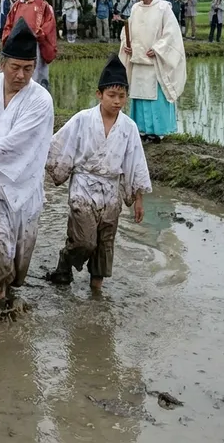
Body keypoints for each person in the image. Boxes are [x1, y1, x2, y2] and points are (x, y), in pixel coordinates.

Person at [0, 18, 54, 308]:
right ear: (2, 63)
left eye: (28, 69)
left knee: (19, 258)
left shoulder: (40, 100)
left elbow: (18, 143)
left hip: (24, 186)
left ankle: (5, 289)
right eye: (15, 67)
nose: (21, 75)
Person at [47, 55, 151, 291]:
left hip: (111, 190)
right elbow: (59, 145)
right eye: (111, 95)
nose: (117, 101)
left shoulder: (129, 128)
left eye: (122, 96)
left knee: (104, 245)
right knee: (85, 241)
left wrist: (138, 200)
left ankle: (96, 294)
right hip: (84, 186)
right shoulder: (83, 119)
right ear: (99, 94)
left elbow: (135, 163)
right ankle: (66, 259)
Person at [119, 0, 186, 143]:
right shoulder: (135, 8)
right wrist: (127, 44)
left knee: (155, 98)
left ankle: (157, 132)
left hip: (154, 61)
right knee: (139, 96)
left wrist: (157, 49)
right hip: (137, 60)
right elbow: (127, 31)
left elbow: (171, 35)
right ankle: (140, 130)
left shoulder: (164, 8)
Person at [2, 0, 57, 90]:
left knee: (36, 72)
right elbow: (8, 25)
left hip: (35, 43)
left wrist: (40, 33)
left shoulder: (42, 4)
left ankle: (39, 95)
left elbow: (49, 23)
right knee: (20, 72)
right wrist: (10, 38)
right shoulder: (16, 6)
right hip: (18, 44)